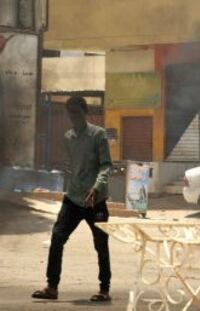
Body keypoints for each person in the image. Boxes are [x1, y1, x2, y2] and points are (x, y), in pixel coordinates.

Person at [32, 96, 112, 302]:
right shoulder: (68, 137)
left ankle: (104, 289)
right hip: (74, 198)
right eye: (70, 114)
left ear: (85, 113)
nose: (73, 118)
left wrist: (96, 187)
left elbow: (106, 166)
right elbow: (72, 165)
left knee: (101, 244)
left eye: (77, 113)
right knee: (57, 238)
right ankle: (52, 287)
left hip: (95, 200)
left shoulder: (98, 135)